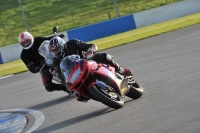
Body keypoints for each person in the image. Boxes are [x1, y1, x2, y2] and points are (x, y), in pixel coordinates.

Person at [48, 36, 132, 102]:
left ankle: (121, 70)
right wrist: (67, 85)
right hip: (76, 76)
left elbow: (90, 45)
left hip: (87, 63)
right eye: (54, 51)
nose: (56, 52)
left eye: (57, 49)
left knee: (106, 57)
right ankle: (91, 94)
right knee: (78, 95)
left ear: (62, 45)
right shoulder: (56, 61)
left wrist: (90, 51)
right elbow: (61, 76)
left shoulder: (72, 43)